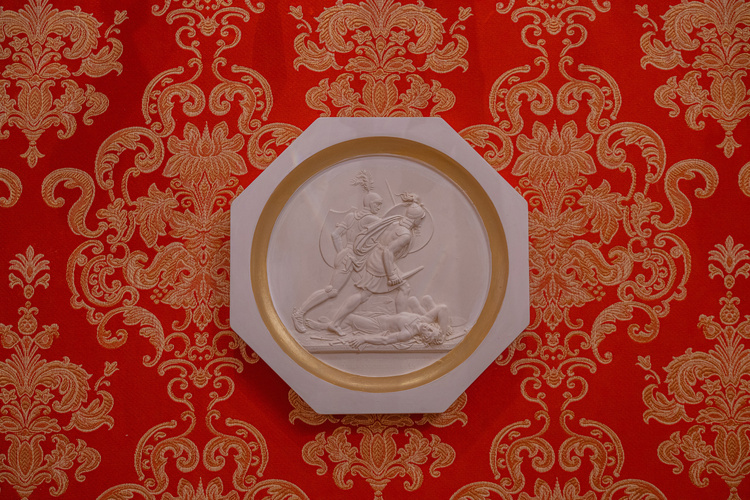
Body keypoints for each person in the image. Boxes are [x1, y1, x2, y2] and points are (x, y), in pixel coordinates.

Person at [325, 193, 426, 335]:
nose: (422, 222)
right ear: (416, 219)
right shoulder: (405, 235)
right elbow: (388, 251)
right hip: (381, 263)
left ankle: (335, 322)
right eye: (421, 219)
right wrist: (391, 275)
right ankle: (402, 323)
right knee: (399, 289)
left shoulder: (395, 223)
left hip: (376, 258)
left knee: (368, 294)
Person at [292, 185, 383, 332]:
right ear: (370, 203)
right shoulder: (372, 219)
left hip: (352, 258)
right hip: (351, 260)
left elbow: (335, 235)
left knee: (366, 292)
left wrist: (342, 252)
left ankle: (341, 323)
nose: (379, 207)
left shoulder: (351, 216)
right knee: (332, 290)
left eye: (381, 204)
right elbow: (387, 228)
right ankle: (299, 314)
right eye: (378, 204)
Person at [346, 295, 449, 348]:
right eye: (432, 328)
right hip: (380, 315)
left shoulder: (407, 333)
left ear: (425, 337)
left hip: (376, 325)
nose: (428, 328)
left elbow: (385, 340)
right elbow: (443, 308)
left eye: (429, 332)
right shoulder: (423, 319)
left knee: (348, 317)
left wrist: (364, 339)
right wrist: (443, 334)